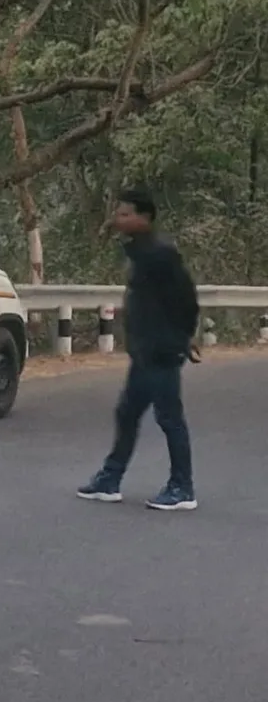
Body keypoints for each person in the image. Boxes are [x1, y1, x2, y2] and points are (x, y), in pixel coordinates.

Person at [78, 188, 200, 511]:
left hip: (162, 350)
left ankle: (182, 488)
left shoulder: (162, 254)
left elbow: (186, 299)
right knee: (127, 413)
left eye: (125, 214)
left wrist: (183, 338)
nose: (118, 219)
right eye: (118, 213)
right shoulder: (141, 253)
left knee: (169, 418)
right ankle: (110, 479)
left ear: (144, 218)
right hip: (145, 351)